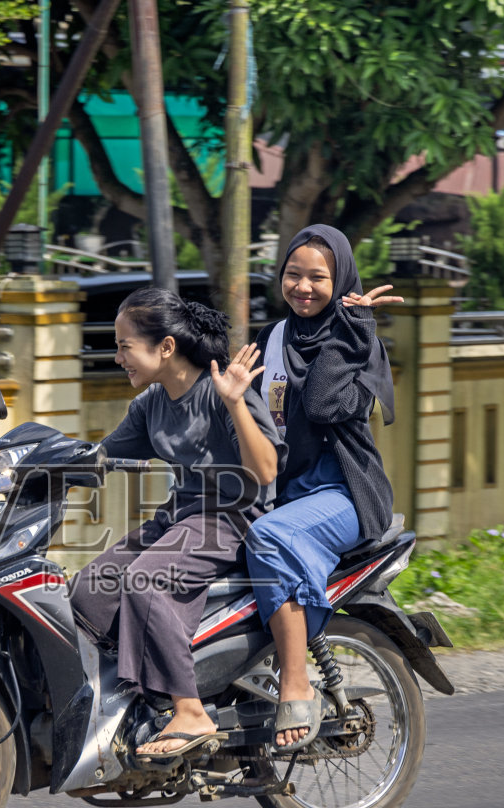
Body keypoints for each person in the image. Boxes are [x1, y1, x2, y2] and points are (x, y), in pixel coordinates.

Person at [69, 288, 284, 760]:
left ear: (165, 347)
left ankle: (190, 710)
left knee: (146, 581)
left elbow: (266, 471)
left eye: (125, 345)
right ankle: (135, 699)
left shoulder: (221, 389)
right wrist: (38, 464)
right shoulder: (152, 405)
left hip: (235, 515)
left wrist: (234, 403)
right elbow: (99, 456)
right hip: (183, 513)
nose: (118, 355)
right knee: (88, 589)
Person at [244, 224, 403, 753]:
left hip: (346, 495)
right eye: (293, 274)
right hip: (286, 495)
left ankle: (296, 684)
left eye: (318, 277)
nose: (303, 287)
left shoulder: (358, 341)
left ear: (341, 280)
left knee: (269, 539)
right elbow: (256, 417)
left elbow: (323, 405)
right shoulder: (273, 337)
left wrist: (354, 327)